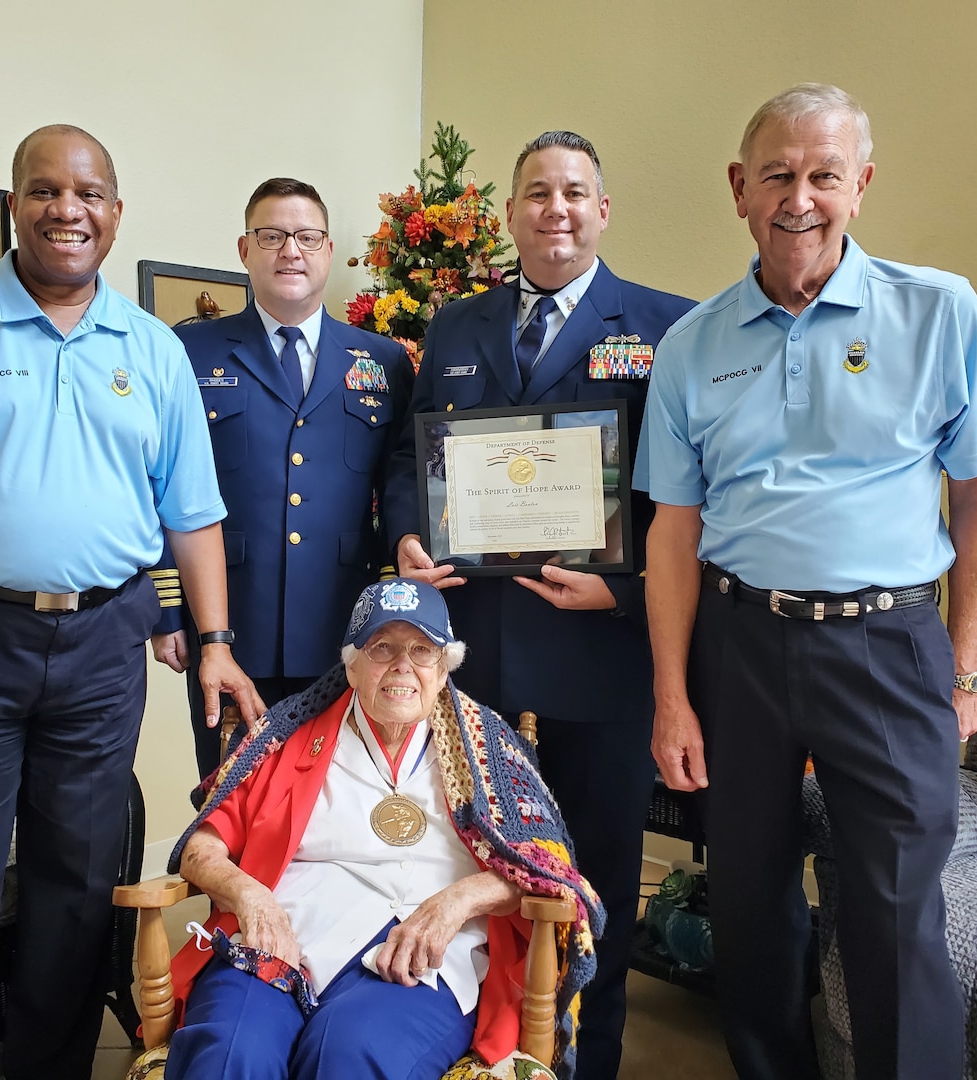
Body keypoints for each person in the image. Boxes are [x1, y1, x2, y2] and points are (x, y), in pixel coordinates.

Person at [0, 124, 263, 1080]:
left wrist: (214, 639)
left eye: (87, 193)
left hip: (106, 639)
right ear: (14, 206)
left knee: (77, 880)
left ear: (115, 213)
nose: (65, 209)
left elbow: (191, 517)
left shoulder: (154, 350)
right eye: (43, 190)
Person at [639, 83, 977, 1079]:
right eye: (777, 176)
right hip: (740, 646)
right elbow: (673, 536)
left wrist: (968, 672)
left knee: (895, 914)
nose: (799, 198)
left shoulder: (940, 312)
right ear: (739, 189)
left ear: (862, 186)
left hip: (888, 648)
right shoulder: (690, 344)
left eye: (823, 176)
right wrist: (673, 698)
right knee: (751, 909)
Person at [383, 130, 695, 1076]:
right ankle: (475, 1043)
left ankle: (582, 1060)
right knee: (464, 852)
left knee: (594, 868)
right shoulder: (456, 326)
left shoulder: (666, 326)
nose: (555, 208)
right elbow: (410, 458)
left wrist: (627, 589)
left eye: (574, 193)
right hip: (476, 650)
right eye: (536, 193)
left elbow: (690, 498)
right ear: (511, 212)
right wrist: (406, 532)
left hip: (601, 645)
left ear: (602, 211)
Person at [159, 578, 603, 1080]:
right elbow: (200, 847)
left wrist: (460, 900)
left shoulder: (491, 751)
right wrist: (250, 897)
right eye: (382, 647)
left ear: (444, 668)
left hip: (417, 960)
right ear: (350, 664)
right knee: (228, 1054)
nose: (402, 666)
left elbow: (545, 869)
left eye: (422, 650)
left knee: (350, 1056)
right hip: (281, 941)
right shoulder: (285, 736)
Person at [149, 178, 414, 779]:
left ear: (326, 250)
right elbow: (159, 483)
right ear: (245, 250)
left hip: (347, 626)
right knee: (231, 798)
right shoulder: (188, 351)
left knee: (342, 799)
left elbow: (401, 482)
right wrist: (167, 611)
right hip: (230, 625)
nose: (290, 250)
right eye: (272, 236)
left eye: (307, 236)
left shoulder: (382, 361)